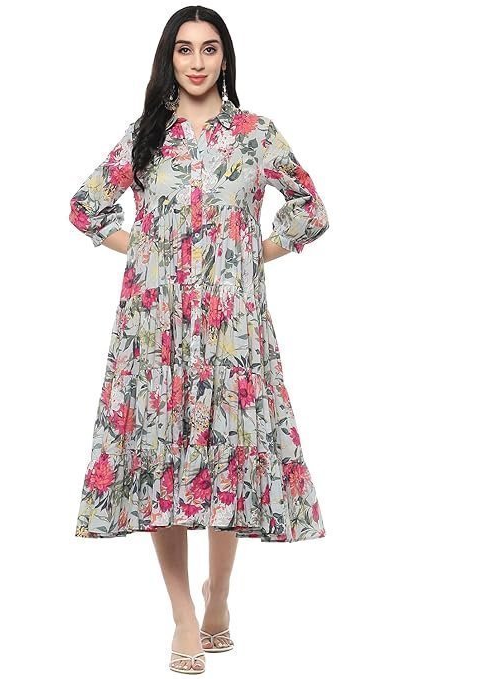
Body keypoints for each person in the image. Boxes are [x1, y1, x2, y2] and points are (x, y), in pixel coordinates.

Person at [68, 6, 331, 674]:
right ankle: (184, 614)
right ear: (169, 58)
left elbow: (310, 208)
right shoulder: (146, 136)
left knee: (224, 459)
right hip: (155, 326)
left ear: (224, 59)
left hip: (231, 325)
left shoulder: (253, 134)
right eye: (183, 49)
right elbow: (85, 206)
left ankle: (220, 595)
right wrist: (146, 251)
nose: (195, 61)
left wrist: (250, 256)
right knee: (162, 463)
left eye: (208, 49)